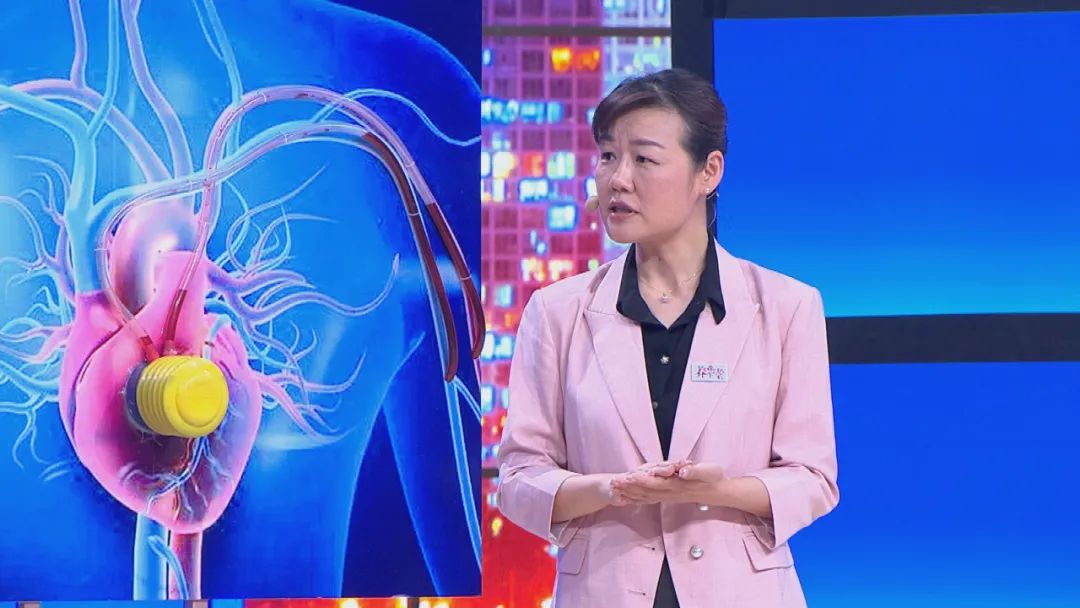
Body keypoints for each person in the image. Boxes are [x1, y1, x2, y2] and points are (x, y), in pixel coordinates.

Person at [495, 68, 840, 607]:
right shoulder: (557, 312)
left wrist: (718, 490)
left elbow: (814, 478)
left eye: (644, 159)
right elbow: (518, 480)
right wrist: (608, 489)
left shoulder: (786, 306)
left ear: (709, 172)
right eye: (608, 156)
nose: (617, 179)